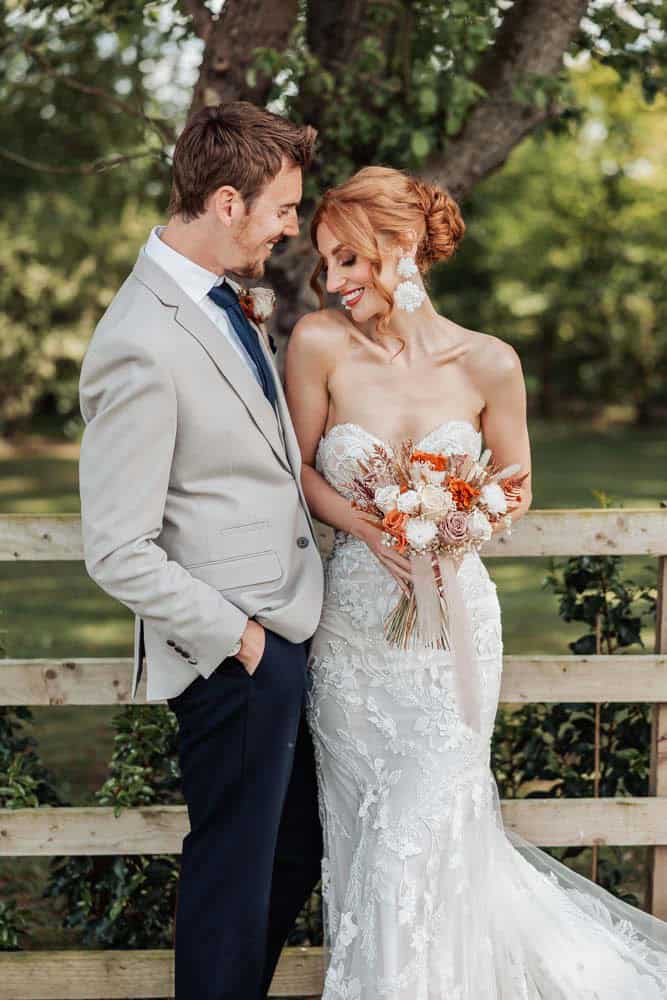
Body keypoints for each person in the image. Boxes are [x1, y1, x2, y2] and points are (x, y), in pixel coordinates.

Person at [285, 165, 667, 998]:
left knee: (423, 826)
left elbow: (517, 483)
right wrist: (373, 526)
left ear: (402, 247)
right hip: (352, 633)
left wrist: (463, 523)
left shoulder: (489, 361)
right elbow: (300, 470)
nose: (333, 279)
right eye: (326, 261)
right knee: (363, 832)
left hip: (453, 628)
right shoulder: (317, 343)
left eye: (348, 258)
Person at [78, 102, 324, 1000]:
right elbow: (116, 549)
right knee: (233, 873)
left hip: (283, 631)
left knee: (291, 850)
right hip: (233, 653)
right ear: (227, 202)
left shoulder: (224, 301)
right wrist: (243, 642)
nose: (290, 226)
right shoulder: (139, 339)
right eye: (282, 208)